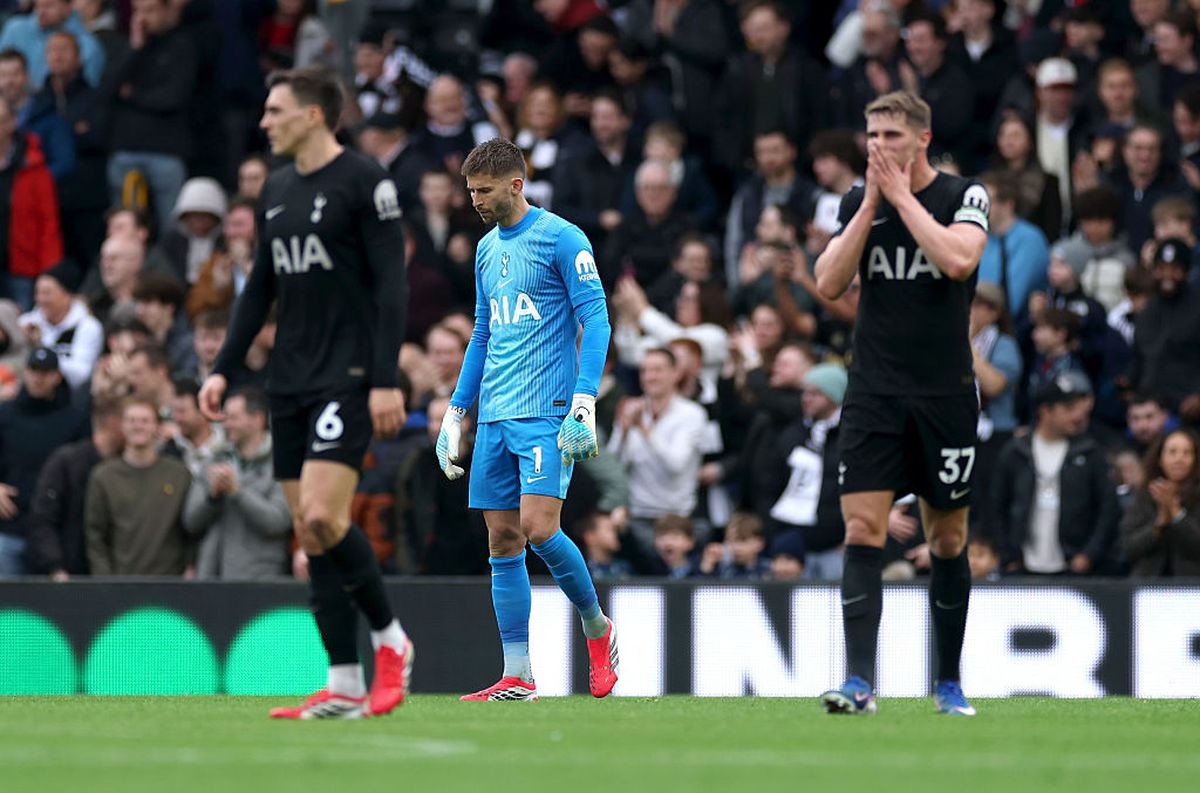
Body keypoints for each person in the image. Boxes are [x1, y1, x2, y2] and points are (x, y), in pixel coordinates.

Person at [198, 66, 411, 720]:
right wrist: (224, 368)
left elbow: (391, 287)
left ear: (314, 114)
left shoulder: (364, 180)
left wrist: (382, 377)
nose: (264, 122)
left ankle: (391, 640)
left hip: (346, 377)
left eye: (276, 110)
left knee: (322, 514)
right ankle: (343, 680)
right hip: (287, 376)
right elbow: (259, 287)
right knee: (310, 533)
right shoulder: (278, 189)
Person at [813, 91, 989, 717]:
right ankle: (860, 682)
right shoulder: (857, 201)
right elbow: (829, 281)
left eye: (889, 135)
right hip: (874, 393)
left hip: (944, 394)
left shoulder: (964, 195)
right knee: (861, 528)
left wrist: (903, 200)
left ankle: (948, 682)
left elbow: (960, 259)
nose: (877, 146)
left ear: (921, 137)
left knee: (947, 537)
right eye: (871, 134)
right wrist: (870, 205)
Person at [434, 136, 619, 702]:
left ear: (516, 184)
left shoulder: (563, 238)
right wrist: (457, 410)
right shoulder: (487, 251)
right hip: (493, 415)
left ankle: (596, 628)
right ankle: (519, 674)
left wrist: (584, 401)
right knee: (502, 540)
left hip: (547, 412)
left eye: (484, 191)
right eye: (470, 192)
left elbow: (598, 319)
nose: (475, 202)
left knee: (540, 528)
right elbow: (483, 335)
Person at [991, 375, 1119, 576]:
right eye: (1068, 409)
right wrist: (1008, 554)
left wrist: (1089, 554)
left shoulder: (1091, 453)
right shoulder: (1016, 452)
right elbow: (996, 506)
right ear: (1045, 411)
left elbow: (1107, 508)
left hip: (1072, 567)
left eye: (1079, 408)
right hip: (1022, 568)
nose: (1077, 416)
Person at [183, 387, 291, 580]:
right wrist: (212, 498)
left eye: (234, 418)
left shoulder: (281, 463)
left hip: (261, 580)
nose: (226, 424)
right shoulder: (214, 461)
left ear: (258, 419)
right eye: (225, 418)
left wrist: (237, 492)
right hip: (212, 579)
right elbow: (191, 522)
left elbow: (278, 521)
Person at [0, 347, 88, 574]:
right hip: (10, 527)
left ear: (57, 376)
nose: (38, 377)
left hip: (57, 535)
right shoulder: (5, 414)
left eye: (45, 372)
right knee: (8, 606)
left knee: (57, 608)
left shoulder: (75, 418)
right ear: (25, 373)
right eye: (33, 370)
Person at [83, 396, 190, 575]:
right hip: (121, 585)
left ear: (157, 426)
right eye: (131, 420)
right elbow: (95, 536)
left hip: (169, 585)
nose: (138, 426)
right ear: (122, 426)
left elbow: (189, 528)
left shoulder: (179, 474)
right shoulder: (103, 476)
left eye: (145, 421)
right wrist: (105, 581)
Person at [25, 395, 124, 578]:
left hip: (111, 576)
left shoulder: (125, 465)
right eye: (129, 420)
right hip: (68, 572)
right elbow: (43, 518)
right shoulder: (68, 461)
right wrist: (55, 566)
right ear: (113, 422)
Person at [1120, 427, 1200, 576]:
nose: (1179, 459)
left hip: (1192, 588)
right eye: (1172, 452)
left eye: (1187, 453)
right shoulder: (1143, 497)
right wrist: (1159, 524)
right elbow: (1129, 548)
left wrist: (1176, 513)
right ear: (1160, 459)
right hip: (1148, 587)